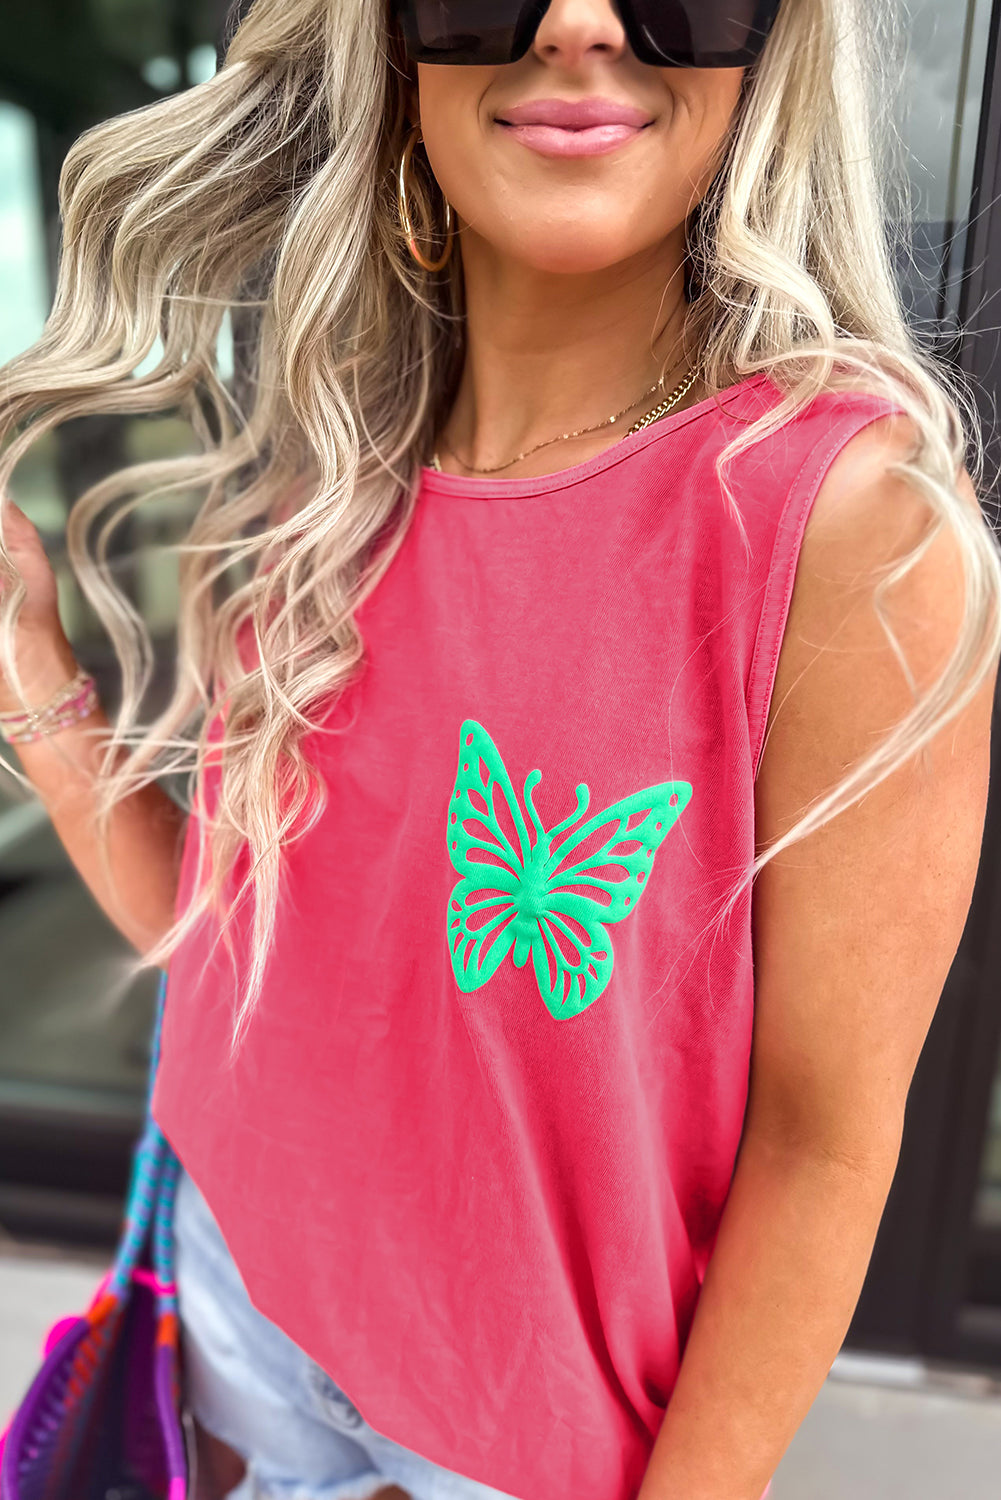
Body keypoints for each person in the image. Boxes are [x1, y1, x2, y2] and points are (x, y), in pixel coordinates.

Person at [1, 0, 999, 1497]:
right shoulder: (323, 474)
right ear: (395, 45)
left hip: (515, 1445)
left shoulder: (845, 522)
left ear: (766, 46)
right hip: (225, 1299)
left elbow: (823, 1145)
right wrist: (27, 658)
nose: (581, 22)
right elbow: (231, 953)